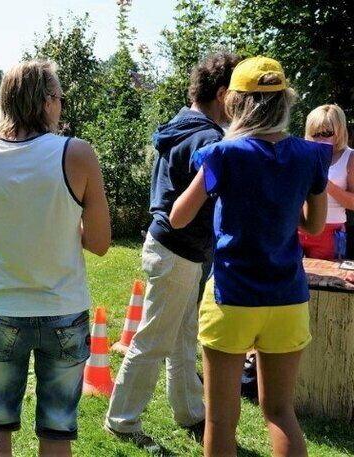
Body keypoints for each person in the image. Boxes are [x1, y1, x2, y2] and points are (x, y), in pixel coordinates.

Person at [170, 56, 330, 457]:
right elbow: (314, 226)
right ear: (286, 102)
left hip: (232, 297)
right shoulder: (310, 156)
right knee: (280, 411)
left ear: (234, 104)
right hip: (288, 298)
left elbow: (178, 217)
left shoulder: (223, 154)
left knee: (221, 419)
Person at [0, 60, 111, 457]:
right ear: (46, 101)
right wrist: (59, 226)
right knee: (56, 432)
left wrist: (8, 229)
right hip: (64, 311)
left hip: (3, 310)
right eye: (59, 98)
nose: (61, 106)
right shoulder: (77, 154)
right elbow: (100, 242)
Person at [104, 52, 240, 453]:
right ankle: (121, 420)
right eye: (238, 96)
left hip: (174, 249)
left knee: (182, 338)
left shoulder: (181, 124)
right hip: (177, 251)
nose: (241, 107)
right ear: (222, 94)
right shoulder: (209, 140)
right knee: (154, 340)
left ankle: (190, 411)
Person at [300, 104, 353, 260]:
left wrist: (326, 183)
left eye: (326, 133)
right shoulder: (304, 155)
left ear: (339, 131)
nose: (319, 139)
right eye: (315, 133)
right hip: (298, 228)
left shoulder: (350, 157)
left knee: (326, 275)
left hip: (330, 231)